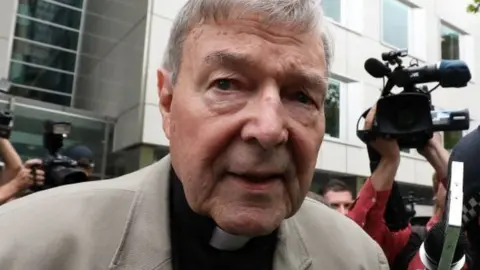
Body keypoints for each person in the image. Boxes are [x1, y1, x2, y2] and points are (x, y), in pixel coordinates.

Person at [0, 1, 389, 269]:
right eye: (227, 85)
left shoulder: (357, 259)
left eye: (301, 96)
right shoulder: (20, 246)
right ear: (167, 103)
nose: (269, 130)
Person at [347, 104, 465, 269]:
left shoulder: (472, 240)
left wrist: (435, 149)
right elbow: (356, 235)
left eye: (449, 179)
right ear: (436, 189)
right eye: (444, 180)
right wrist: (389, 161)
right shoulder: (407, 243)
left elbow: (471, 194)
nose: (450, 184)